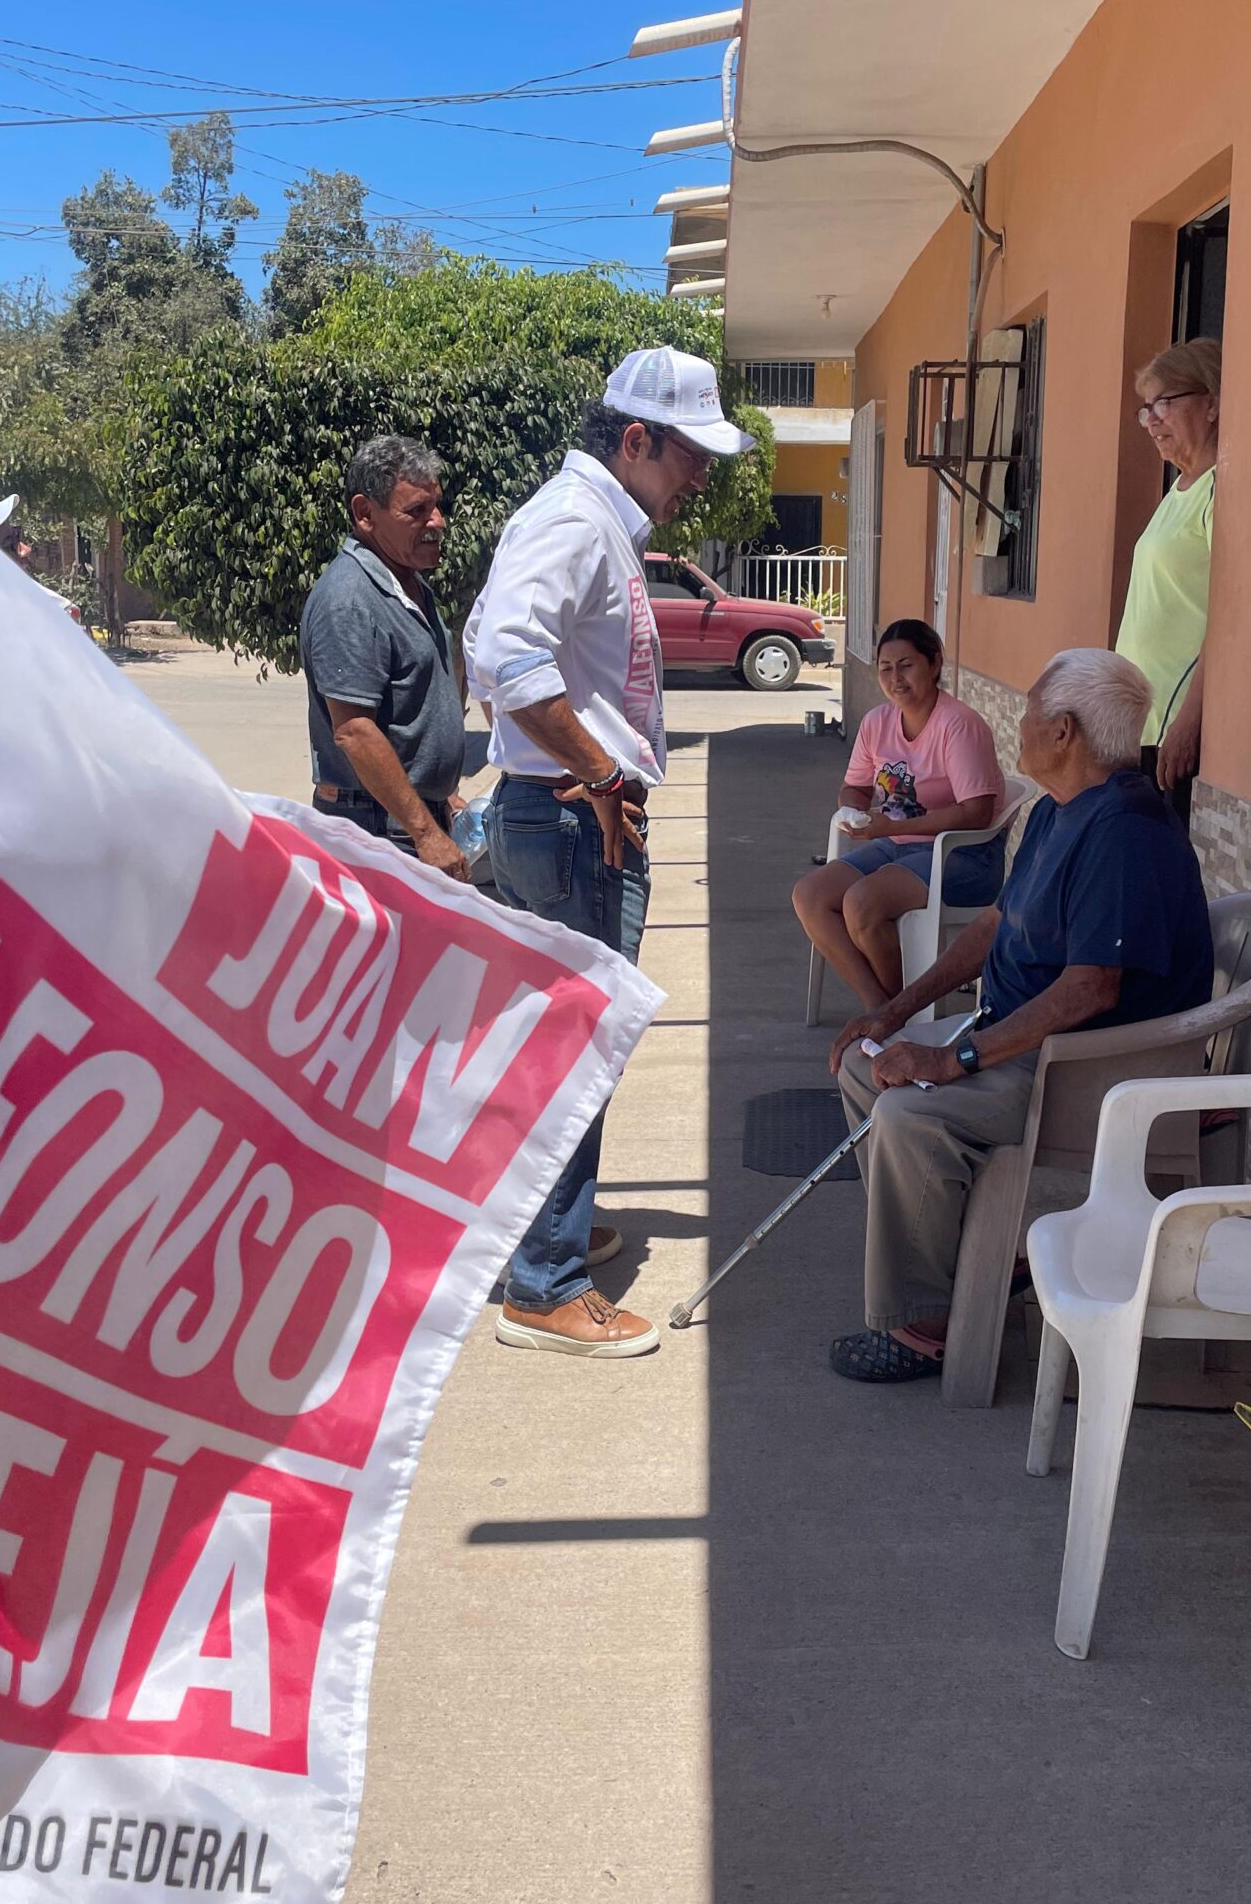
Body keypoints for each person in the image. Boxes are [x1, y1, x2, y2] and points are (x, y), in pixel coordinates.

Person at [825, 648, 1212, 1383]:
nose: (1021, 726)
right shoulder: (1054, 812)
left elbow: (1091, 990)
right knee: (863, 1063)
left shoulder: (1123, 830)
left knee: (912, 1115)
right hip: (1023, 1037)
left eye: (1031, 713)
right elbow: (991, 929)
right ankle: (952, 1258)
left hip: (1089, 1072)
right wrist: (893, 1013)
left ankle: (926, 1321)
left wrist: (953, 1060)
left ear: (1064, 731)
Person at [465, 344, 746, 1359]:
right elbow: (504, 655)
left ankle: (547, 1236)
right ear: (636, 440)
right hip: (573, 819)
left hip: (569, 812)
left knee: (569, 1047)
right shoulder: (576, 521)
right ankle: (544, 1285)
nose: (700, 478)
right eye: (689, 456)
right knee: (577, 1054)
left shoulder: (585, 521)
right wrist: (590, 771)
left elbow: (482, 642)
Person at [791, 618, 1007, 1011]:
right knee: (810, 895)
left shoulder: (958, 725)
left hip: (961, 857)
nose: (896, 678)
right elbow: (854, 787)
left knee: (862, 904)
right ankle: (881, 1007)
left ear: (935, 663)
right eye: (885, 668)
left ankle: (900, 1013)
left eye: (906, 665)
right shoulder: (877, 722)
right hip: (894, 845)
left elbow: (978, 812)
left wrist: (896, 826)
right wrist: (855, 811)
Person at [299, 435, 471, 882]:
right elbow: (355, 731)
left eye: (436, 505)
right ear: (364, 514)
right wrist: (425, 833)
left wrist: (442, 799)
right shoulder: (350, 598)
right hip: (379, 828)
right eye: (416, 511)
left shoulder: (407, 583)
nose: (437, 522)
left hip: (406, 821)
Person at [1114, 338, 1222, 825]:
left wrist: (1189, 722)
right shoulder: (1178, 489)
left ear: (1212, 402)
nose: (1152, 420)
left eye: (1164, 403)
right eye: (1146, 409)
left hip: (1171, 727)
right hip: (1138, 721)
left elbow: (1226, 619)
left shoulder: (1219, 491)